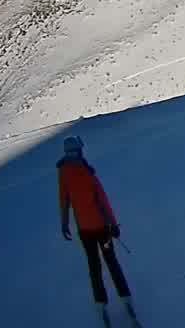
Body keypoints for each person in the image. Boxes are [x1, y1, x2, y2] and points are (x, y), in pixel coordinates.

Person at [57, 135, 136, 321]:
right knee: (112, 263)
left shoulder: (63, 173)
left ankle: (100, 303)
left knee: (94, 267)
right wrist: (114, 224)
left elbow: (64, 200)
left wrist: (64, 223)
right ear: (79, 150)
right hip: (103, 229)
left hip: (85, 231)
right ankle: (125, 297)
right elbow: (103, 200)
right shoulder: (87, 171)